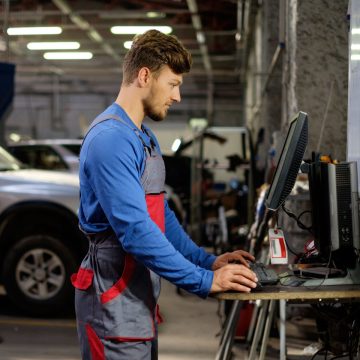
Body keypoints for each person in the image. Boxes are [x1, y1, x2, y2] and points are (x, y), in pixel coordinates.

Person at [71, 29, 258, 360]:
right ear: (145, 76)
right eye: (173, 84)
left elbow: (160, 217)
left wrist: (207, 261)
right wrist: (204, 281)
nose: (177, 96)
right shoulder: (111, 140)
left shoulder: (144, 137)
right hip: (112, 297)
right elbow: (136, 233)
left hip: (137, 297)